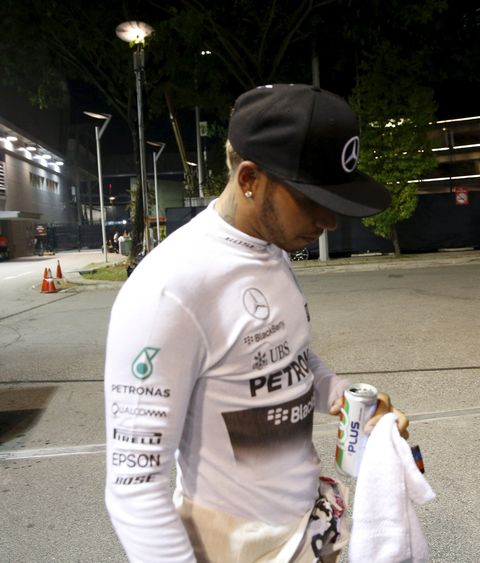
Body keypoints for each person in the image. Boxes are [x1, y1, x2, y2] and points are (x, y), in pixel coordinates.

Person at [104, 84, 409, 563]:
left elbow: (285, 358)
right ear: (249, 178)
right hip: (232, 546)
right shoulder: (169, 290)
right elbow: (134, 489)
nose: (329, 221)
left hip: (305, 531)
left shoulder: (270, 248)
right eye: (311, 199)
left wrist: (345, 397)